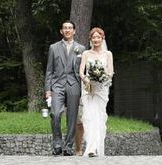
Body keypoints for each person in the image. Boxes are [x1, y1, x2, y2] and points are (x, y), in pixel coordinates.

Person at [44, 20, 86, 156]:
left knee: (72, 117)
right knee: (55, 114)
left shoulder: (81, 48)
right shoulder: (53, 47)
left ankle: (68, 147)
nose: (67, 30)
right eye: (65, 28)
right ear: (61, 31)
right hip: (57, 84)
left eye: (70, 28)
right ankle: (57, 143)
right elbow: (49, 70)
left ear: (74, 31)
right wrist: (48, 89)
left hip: (74, 84)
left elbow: (84, 70)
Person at [79, 27, 114, 157]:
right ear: (91, 39)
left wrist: (102, 79)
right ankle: (91, 147)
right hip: (88, 89)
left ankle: (95, 147)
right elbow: (81, 72)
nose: (96, 39)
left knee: (99, 117)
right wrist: (87, 80)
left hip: (101, 90)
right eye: (93, 37)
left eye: (98, 37)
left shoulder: (108, 54)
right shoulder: (86, 54)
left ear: (102, 38)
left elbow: (110, 72)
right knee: (88, 116)